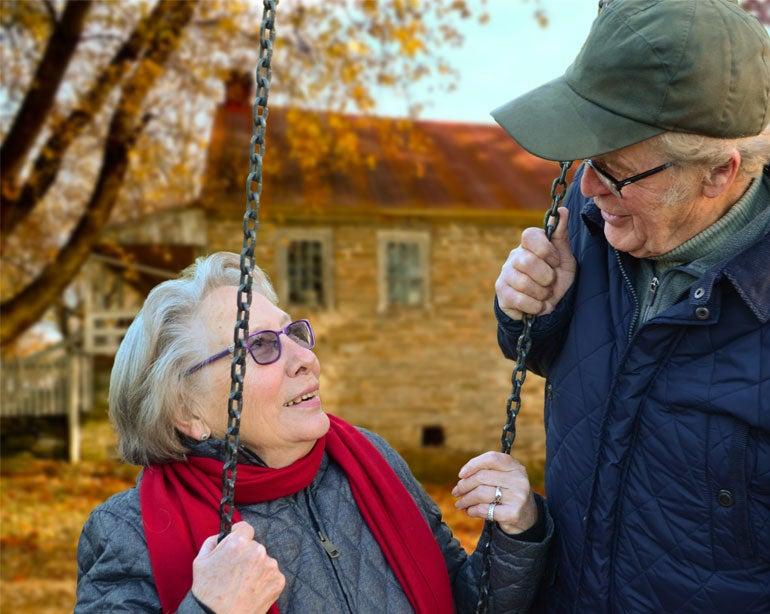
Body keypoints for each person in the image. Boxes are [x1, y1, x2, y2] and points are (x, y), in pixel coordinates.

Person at [76, 251, 552, 613]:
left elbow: (465, 602)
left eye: (294, 334)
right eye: (260, 346)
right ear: (187, 412)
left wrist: (515, 532)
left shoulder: (371, 461)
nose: (304, 358)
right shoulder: (127, 531)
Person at [491, 0, 770, 611]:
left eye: (616, 171)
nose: (589, 188)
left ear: (719, 173)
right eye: (588, 161)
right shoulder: (593, 215)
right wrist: (530, 309)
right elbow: (551, 355)